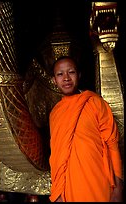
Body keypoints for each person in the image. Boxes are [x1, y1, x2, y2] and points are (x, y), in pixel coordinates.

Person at [49, 56, 123, 202]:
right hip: (69, 188)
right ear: (54, 80)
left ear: (79, 75)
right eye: (60, 74)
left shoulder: (95, 102)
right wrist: (57, 192)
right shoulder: (55, 113)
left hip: (98, 181)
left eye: (71, 72)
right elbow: (56, 156)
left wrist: (119, 187)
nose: (66, 78)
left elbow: (112, 144)